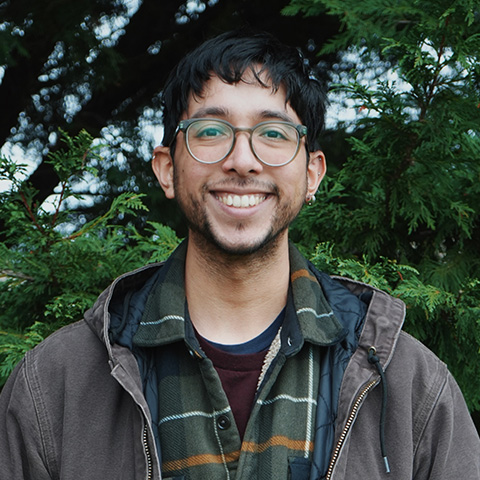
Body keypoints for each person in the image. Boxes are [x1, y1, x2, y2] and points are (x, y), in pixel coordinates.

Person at [0, 29, 479, 480]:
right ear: (167, 169)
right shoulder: (52, 386)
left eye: (273, 134)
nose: (243, 159)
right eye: (211, 131)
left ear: (312, 174)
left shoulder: (412, 385)